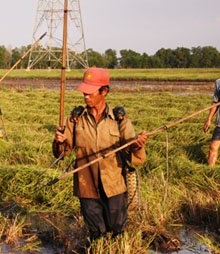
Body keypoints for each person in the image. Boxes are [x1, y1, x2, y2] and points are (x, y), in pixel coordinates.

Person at [52, 67, 148, 240]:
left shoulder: (119, 121)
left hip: (113, 183)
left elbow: (134, 153)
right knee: (96, 231)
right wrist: (59, 141)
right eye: (84, 92)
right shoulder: (75, 119)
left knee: (117, 227)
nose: (86, 96)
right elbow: (62, 153)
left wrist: (137, 145)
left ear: (104, 91)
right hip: (86, 183)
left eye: (90, 92)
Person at [203, 78, 220, 166]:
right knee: (213, 147)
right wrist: (209, 119)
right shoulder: (218, 82)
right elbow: (215, 103)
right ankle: (209, 171)